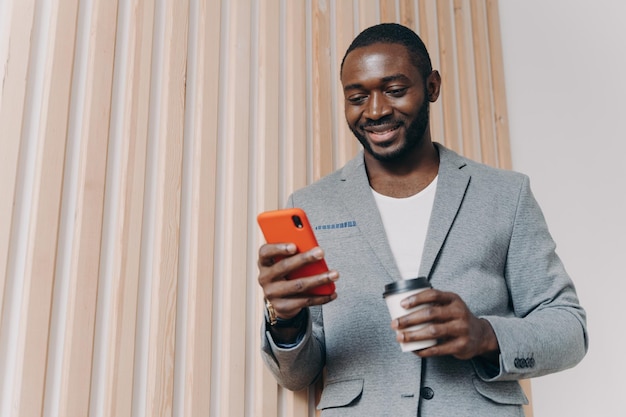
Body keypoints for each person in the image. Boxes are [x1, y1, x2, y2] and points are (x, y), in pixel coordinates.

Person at [257, 23, 588, 417]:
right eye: (357, 97)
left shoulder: (506, 195)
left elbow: (570, 329)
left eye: (395, 90)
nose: (376, 110)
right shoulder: (313, 205)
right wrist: (287, 321)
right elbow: (298, 375)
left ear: (432, 86)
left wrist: (485, 335)